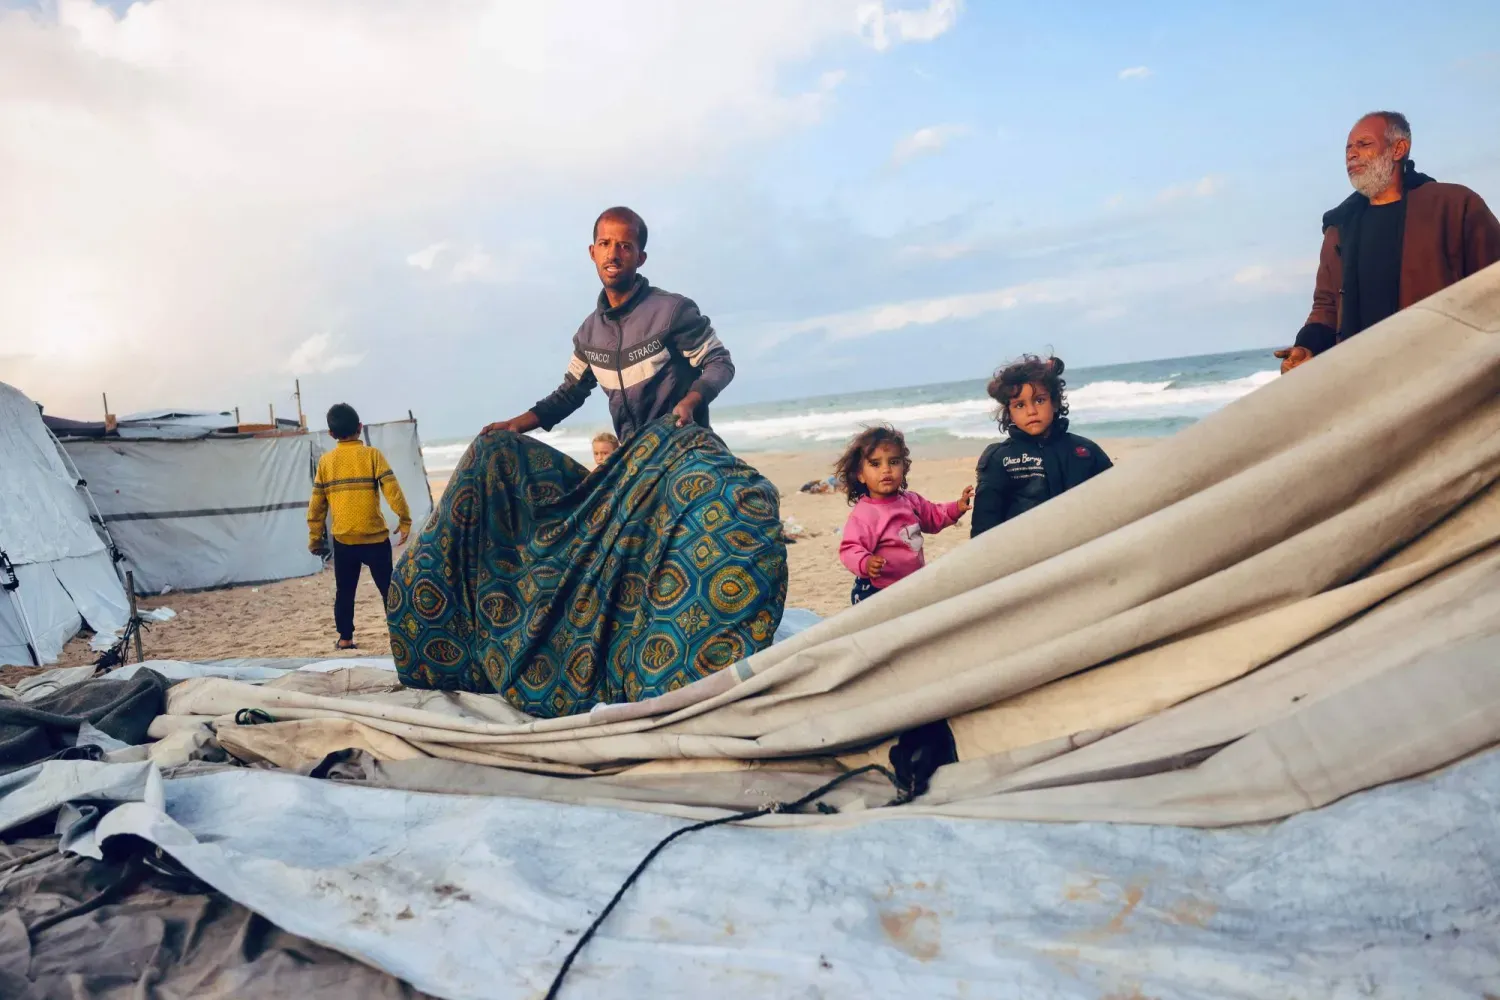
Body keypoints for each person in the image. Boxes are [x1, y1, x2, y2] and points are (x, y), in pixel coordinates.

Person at [1275, 111, 1500, 375]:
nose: (1352, 154)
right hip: (1363, 381)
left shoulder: (1453, 205)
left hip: (1445, 373)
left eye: (1364, 144)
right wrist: (1307, 347)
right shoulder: (1339, 226)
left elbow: (1493, 284)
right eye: (1348, 148)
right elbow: (1326, 306)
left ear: (1399, 149)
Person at [484, 206, 735, 441]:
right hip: (630, 459)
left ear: (641, 258)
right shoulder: (588, 335)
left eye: (625, 246)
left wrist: (692, 401)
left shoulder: (673, 311)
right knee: (494, 450)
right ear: (593, 253)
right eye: (605, 244)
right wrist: (516, 424)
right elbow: (569, 393)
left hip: (684, 445)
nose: (613, 255)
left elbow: (720, 363)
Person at [308, 403, 412, 651]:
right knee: (388, 588)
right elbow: (392, 490)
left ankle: (345, 638)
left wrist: (314, 538)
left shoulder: (326, 462)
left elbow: (317, 505)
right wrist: (404, 519)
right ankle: (401, 638)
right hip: (375, 538)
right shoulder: (372, 455)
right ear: (360, 428)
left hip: (344, 539)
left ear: (331, 434)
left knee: (345, 591)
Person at [971, 355, 1111, 537]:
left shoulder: (1085, 452)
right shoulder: (1000, 459)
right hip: (1027, 555)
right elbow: (984, 525)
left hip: (1082, 549)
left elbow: (1113, 501)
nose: (1031, 411)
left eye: (1039, 400)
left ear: (1054, 402)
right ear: (1010, 413)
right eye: (1020, 405)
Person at [835, 425, 972, 605]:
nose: (886, 470)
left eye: (893, 462)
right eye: (875, 464)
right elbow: (850, 548)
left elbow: (934, 516)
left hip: (912, 583)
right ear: (860, 475)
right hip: (877, 589)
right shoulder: (865, 514)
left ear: (904, 466)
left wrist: (957, 507)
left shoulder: (911, 501)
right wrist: (866, 563)